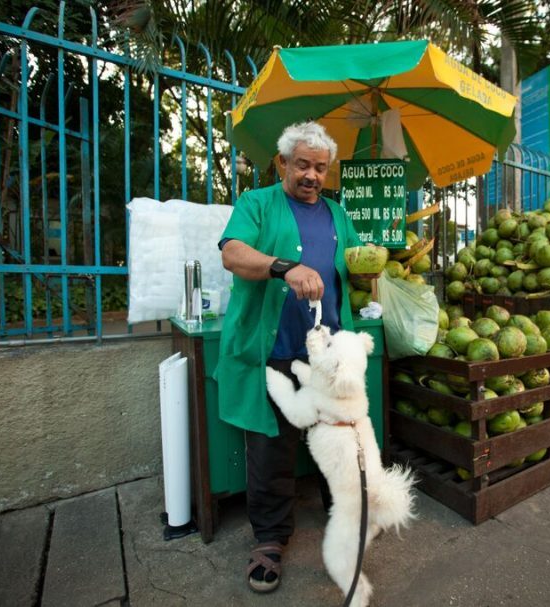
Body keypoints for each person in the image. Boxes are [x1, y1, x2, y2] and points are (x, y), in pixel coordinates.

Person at [214, 121, 362, 594]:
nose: (312, 175)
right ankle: (271, 541)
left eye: (320, 167)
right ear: (282, 163)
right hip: (274, 350)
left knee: (337, 443)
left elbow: (354, 268)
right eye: (302, 164)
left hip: (327, 357)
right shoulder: (256, 204)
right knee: (271, 449)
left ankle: (346, 520)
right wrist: (283, 267)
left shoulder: (339, 214)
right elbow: (233, 254)